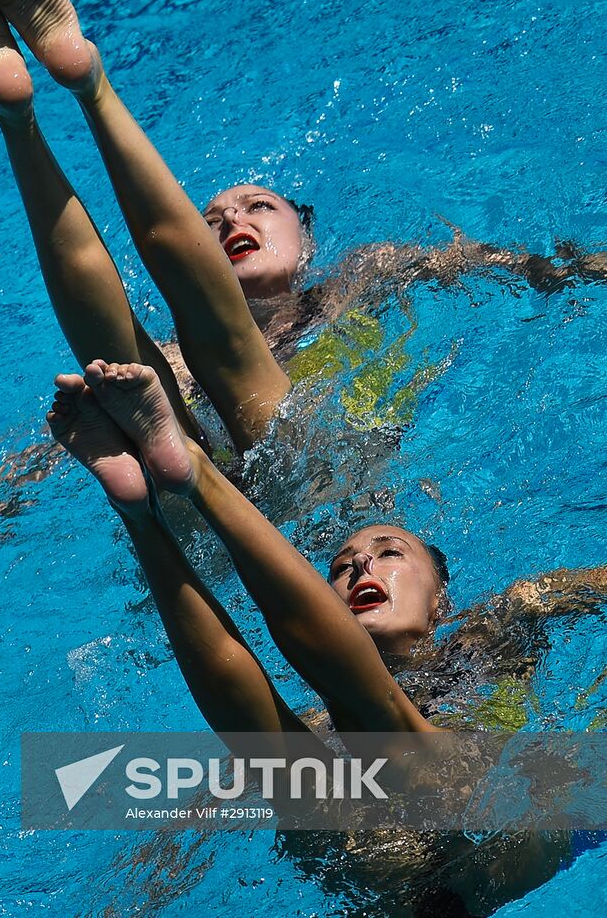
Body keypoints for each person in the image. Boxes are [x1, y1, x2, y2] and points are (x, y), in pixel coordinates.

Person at [0, 0, 607, 456]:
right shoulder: (176, 357)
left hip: (323, 470)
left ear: (306, 240)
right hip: (221, 483)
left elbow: (494, 262)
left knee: (182, 354)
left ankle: (59, 97)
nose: (232, 221)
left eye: (258, 206)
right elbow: (36, 456)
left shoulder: (358, 278)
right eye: (213, 222)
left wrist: (568, 267)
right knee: (128, 366)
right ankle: (24, 109)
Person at [46, 358, 605, 913]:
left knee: (331, 737)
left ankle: (157, 505)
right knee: (286, 750)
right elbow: (201, 814)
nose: (363, 567)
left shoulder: (496, 628)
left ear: (442, 600)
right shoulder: (324, 722)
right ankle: (147, 505)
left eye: (390, 553)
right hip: (387, 873)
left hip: (490, 832)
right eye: (342, 567)